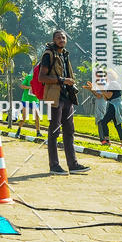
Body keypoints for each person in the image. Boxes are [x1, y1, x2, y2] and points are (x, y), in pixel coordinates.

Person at [38, 29, 90, 175]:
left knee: (69, 130)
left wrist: (69, 83)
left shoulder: (65, 55)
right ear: (54, 40)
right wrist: (62, 80)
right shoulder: (48, 55)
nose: (61, 39)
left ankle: (72, 165)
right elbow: (41, 78)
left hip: (67, 97)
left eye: (63, 37)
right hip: (55, 97)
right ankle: (54, 165)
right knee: (54, 131)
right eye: (58, 37)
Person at [86, 71, 122, 148]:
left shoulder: (113, 84)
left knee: (104, 122)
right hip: (113, 105)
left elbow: (108, 95)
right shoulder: (110, 85)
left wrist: (101, 89)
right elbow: (105, 97)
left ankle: (107, 140)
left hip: (115, 106)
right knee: (117, 124)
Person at [15, 68, 41, 138]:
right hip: (26, 99)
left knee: (37, 116)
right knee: (24, 117)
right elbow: (22, 86)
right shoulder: (29, 77)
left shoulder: (41, 79)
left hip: (35, 100)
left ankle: (38, 132)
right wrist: (30, 87)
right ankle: (18, 131)